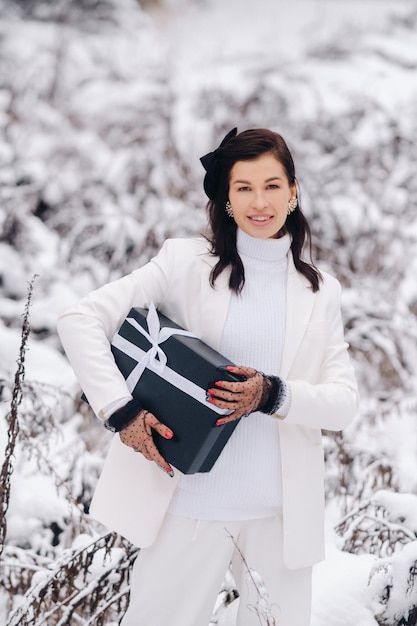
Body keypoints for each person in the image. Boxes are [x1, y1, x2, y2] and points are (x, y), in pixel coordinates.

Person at [57, 127, 359, 626]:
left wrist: (273, 394)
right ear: (225, 197)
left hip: (279, 520)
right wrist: (122, 411)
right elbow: (80, 319)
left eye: (271, 185)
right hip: (187, 505)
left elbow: (343, 403)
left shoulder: (321, 291)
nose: (259, 202)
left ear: (293, 191)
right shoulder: (185, 263)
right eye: (243, 188)